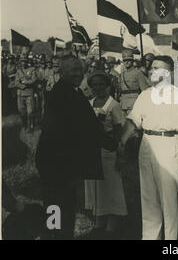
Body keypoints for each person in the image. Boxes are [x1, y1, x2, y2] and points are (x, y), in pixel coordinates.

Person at [118, 55, 178, 240]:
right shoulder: (145, 95)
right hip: (147, 144)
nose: (152, 71)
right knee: (148, 198)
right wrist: (121, 143)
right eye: (151, 68)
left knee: (168, 199)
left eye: (157, 68)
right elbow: (133, 121)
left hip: (169, 144)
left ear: (168, 73)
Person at [36, 55, 107, 240]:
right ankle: (55, 236)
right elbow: (87, 126)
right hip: (56, 162)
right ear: (62, 72)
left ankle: (56, 235)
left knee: (62, 205)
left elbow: (87, 123)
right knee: (57, 206)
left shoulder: (73, 91)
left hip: (62, 162)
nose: (78, 74)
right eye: (72, 70)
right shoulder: (63, 94)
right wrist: (113, 143)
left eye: (79, 70)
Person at [84, 70, 128, 238]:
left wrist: (119, 151)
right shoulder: (90, 103)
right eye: (94, 85)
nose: (97, 88)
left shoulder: (113, 104)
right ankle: (99, 220)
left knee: (110, 185)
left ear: (107, 86)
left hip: (108, 148)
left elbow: (119, 129)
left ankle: (112, 222)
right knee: (96, 186)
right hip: (92, 150)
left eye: (101, 84)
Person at [119, 50, 150, 115]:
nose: (126, 62)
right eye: (124, 60)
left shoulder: (138, 73)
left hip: (134, 103)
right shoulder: (122, 74)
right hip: (123, 103)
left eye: (129, 60)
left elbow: (144, 90)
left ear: (132, 61)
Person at [15, 55, 37, 132]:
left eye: (25, 61)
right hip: (20, 94)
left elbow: (34, 80)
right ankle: (24, 125)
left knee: (30, 112)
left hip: (29, 94)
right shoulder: (18, 71)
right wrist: (23, 86)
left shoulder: (32, 70)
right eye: (22, 61)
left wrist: (25, 82)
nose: (23, 63)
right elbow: (16, 82)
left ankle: (31, 126)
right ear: (20, 62)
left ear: (27, 62)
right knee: (22, 112)